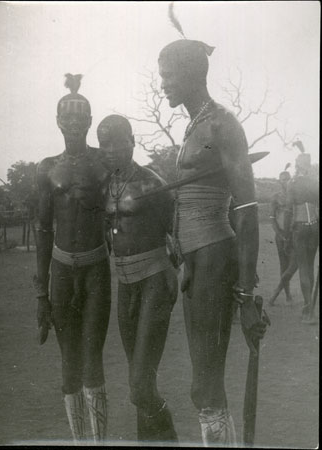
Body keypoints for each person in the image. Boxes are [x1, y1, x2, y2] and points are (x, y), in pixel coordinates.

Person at [158, 39, 268, 446]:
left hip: (214, 256)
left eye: (167, 75)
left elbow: (248, 207)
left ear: (190, 74)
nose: (163, 85)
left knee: (205, 385)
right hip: (194, 261)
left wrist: (246, 290)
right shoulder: (193, 123)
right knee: (202, 386)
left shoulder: (222, 124)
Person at [34, 74, 111, 444]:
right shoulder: (47, 168)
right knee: (69, 363)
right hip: (62, 273)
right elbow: (43, 230)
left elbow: (125, 208)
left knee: (93, 359)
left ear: (91, 121)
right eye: (68, 119)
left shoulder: (104, 163)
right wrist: (40, 294)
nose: (75, 125)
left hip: (97, 269)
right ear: (58, 121)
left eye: (82, 119)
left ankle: (98, 442)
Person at [97, 114, 179, 444]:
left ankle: (170, 440)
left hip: (154, 280)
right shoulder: (105, 184)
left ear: (132, 141)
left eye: (117, 142)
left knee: (140, 385)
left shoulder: (153, 184)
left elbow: (177, 233)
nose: (111, 150)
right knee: (139, 382)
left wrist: (175, 274)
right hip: (125, 284)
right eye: (104, 144)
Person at [284, 143, 319, 323]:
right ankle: (310, 306)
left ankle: (308, 309)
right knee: (310, 267)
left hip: (299, 227)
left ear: (299, 165)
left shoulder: (292, 183)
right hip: (314, 227)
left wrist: (286, 234)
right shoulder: (316, 182)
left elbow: (289, 210)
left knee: (303, 268)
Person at [269, 168, 298, 306]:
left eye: (288, 179)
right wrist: (281, 234)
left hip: (295, 235)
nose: (285, 182)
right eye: (283, 179)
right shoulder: (276, 197)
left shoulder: (296, 195)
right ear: (279, 181)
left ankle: (276, 294)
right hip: (280, 236)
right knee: (284, 265)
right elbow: (272, 218)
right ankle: (287, 294)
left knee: (294, 264)